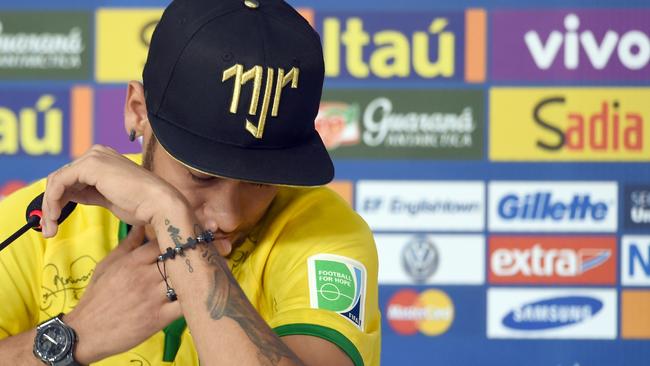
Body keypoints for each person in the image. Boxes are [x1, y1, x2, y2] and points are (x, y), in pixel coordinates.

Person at [0, 0, 380, 365]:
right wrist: (77, 335)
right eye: (202, 175)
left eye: (261, 181)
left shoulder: (322, 232)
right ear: (137, 112)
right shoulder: (40, 217)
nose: (229, 216)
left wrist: (171, 215)